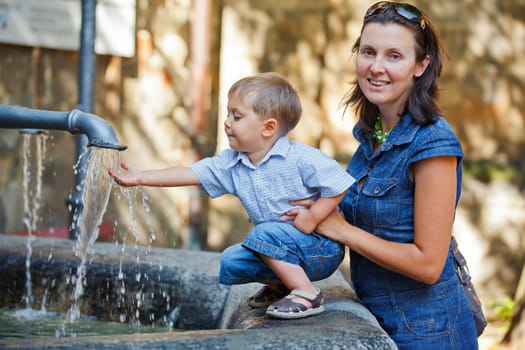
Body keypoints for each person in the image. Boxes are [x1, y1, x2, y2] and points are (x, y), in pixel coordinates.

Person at [282, 2, 478, 348]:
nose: (376, 67)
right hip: (377, 317)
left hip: (428, 332)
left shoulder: (433, 143)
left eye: (394, 56)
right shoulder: (373, 132)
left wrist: (341, 229)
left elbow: (429, 264)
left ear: (421, 65)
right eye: (368, 52)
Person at [109, 72, 355, 319]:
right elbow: (189, 173)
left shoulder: (300, 158)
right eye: (228, 114)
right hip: (279, 248)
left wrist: (313, 217)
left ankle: (307, 294)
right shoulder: (232, 164)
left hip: (319, 248)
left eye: (236, 116)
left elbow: (339, 184)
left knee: (263, 233)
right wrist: (141, 177)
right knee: (232, 260)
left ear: (268, 127)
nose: (227, 121)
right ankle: (283, 286)